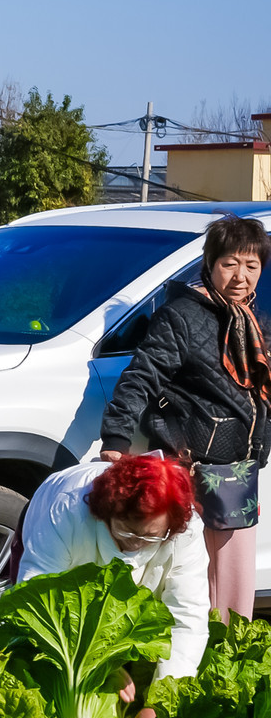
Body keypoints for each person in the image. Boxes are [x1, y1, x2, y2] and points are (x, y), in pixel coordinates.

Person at [101, 213, 271, 622]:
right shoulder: (181, 317)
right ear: (210, 264)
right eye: (230, 263)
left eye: (252, 266)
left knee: (234, 583)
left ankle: (227, 659)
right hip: (191, 466)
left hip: (238, 470)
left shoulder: (253, 320)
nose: (240, 276)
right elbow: (140, 376)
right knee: (186, 577)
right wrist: (116, 439)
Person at [18, 454, 209, 718]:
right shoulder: (66, 511)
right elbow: (36, 601)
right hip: (48, 535)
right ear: (107, 512)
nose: (136, 543)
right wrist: (99, 664)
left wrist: (158, 708)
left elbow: (187, 617)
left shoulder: (185, 530)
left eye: (150, 537)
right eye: (127, 530)